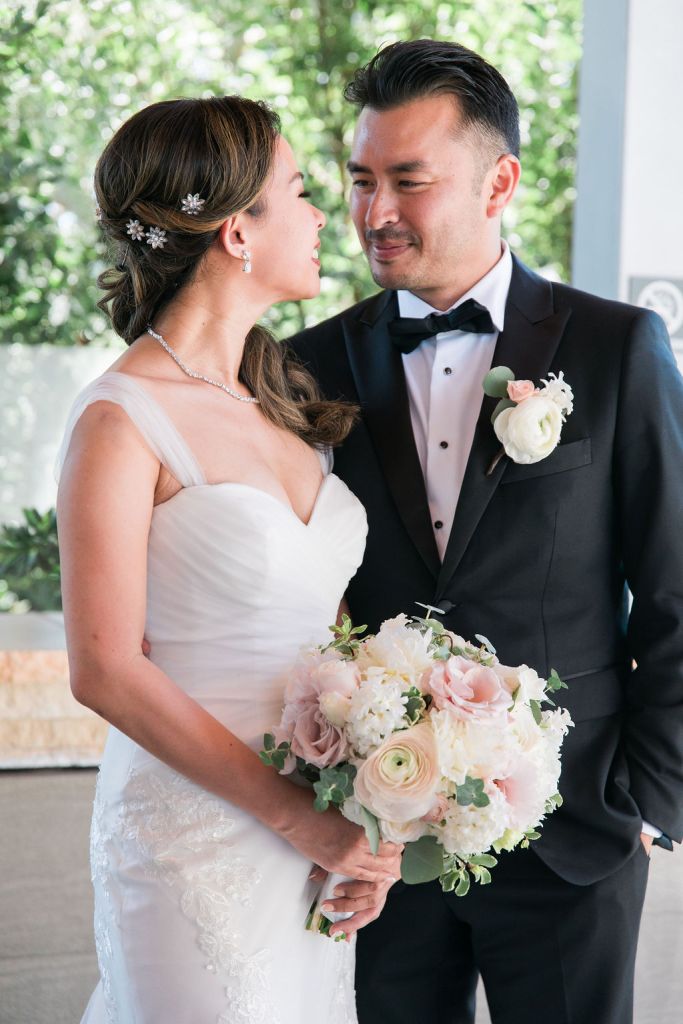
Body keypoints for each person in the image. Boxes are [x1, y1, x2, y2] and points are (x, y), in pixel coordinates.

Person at [287, 39, 683, 1024]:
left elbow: (674, 586)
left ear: (498, 182)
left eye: (407, 181)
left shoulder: (613, 346)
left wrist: (647, 798)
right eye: (360, 180)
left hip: (573, 828)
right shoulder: (305, 366)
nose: (374, 211)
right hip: (376, 835)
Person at [56, 95, 402, 1024]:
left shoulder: (284, 406)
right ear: (237, 231)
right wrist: (296, 816)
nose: (326, 215)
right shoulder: (120, 418)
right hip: (192, 838)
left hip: (313, 834)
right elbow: (104, 669)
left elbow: (323, 631)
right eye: (301, 190)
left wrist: (366, 813)